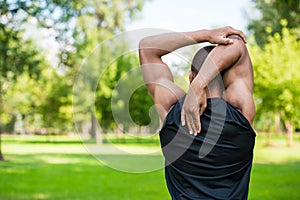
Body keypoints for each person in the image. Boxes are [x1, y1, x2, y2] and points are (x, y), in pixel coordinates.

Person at [139, 26, 256, 199]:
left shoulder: (170, 108)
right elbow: (236, 43)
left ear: (191, 76)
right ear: (225, 76)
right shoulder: (241, 110)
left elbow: (146, 48)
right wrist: (200, 84)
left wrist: (205, 35)